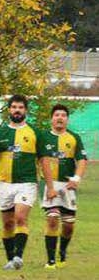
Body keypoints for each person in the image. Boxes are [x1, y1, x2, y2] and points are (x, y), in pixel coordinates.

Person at [0, 95, 44, 270]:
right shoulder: (0, 133)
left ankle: (18, 256)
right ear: (9, 110)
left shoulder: (34, 132)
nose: (17, 110)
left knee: (20, 217)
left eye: (20, 107)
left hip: (27, 182)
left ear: (26, 110)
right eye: (14, 107)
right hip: (4, 183)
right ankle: (10, 260)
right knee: (8, 223)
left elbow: (43, 159)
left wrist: (48, 182)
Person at [39, 104, 87, 268]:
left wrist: (76, 178)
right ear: (51, 119)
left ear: (67, 119)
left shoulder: (74, 137)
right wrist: (49, 186)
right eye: (57, 115)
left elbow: (82, 160)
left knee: (69, 224)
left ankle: (62, 252)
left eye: (63, 115)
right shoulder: (43, 137)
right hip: (49, 183)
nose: (60, 118)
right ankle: (50, 261)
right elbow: (41, 160)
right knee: (52, 218)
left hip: (67, 185)